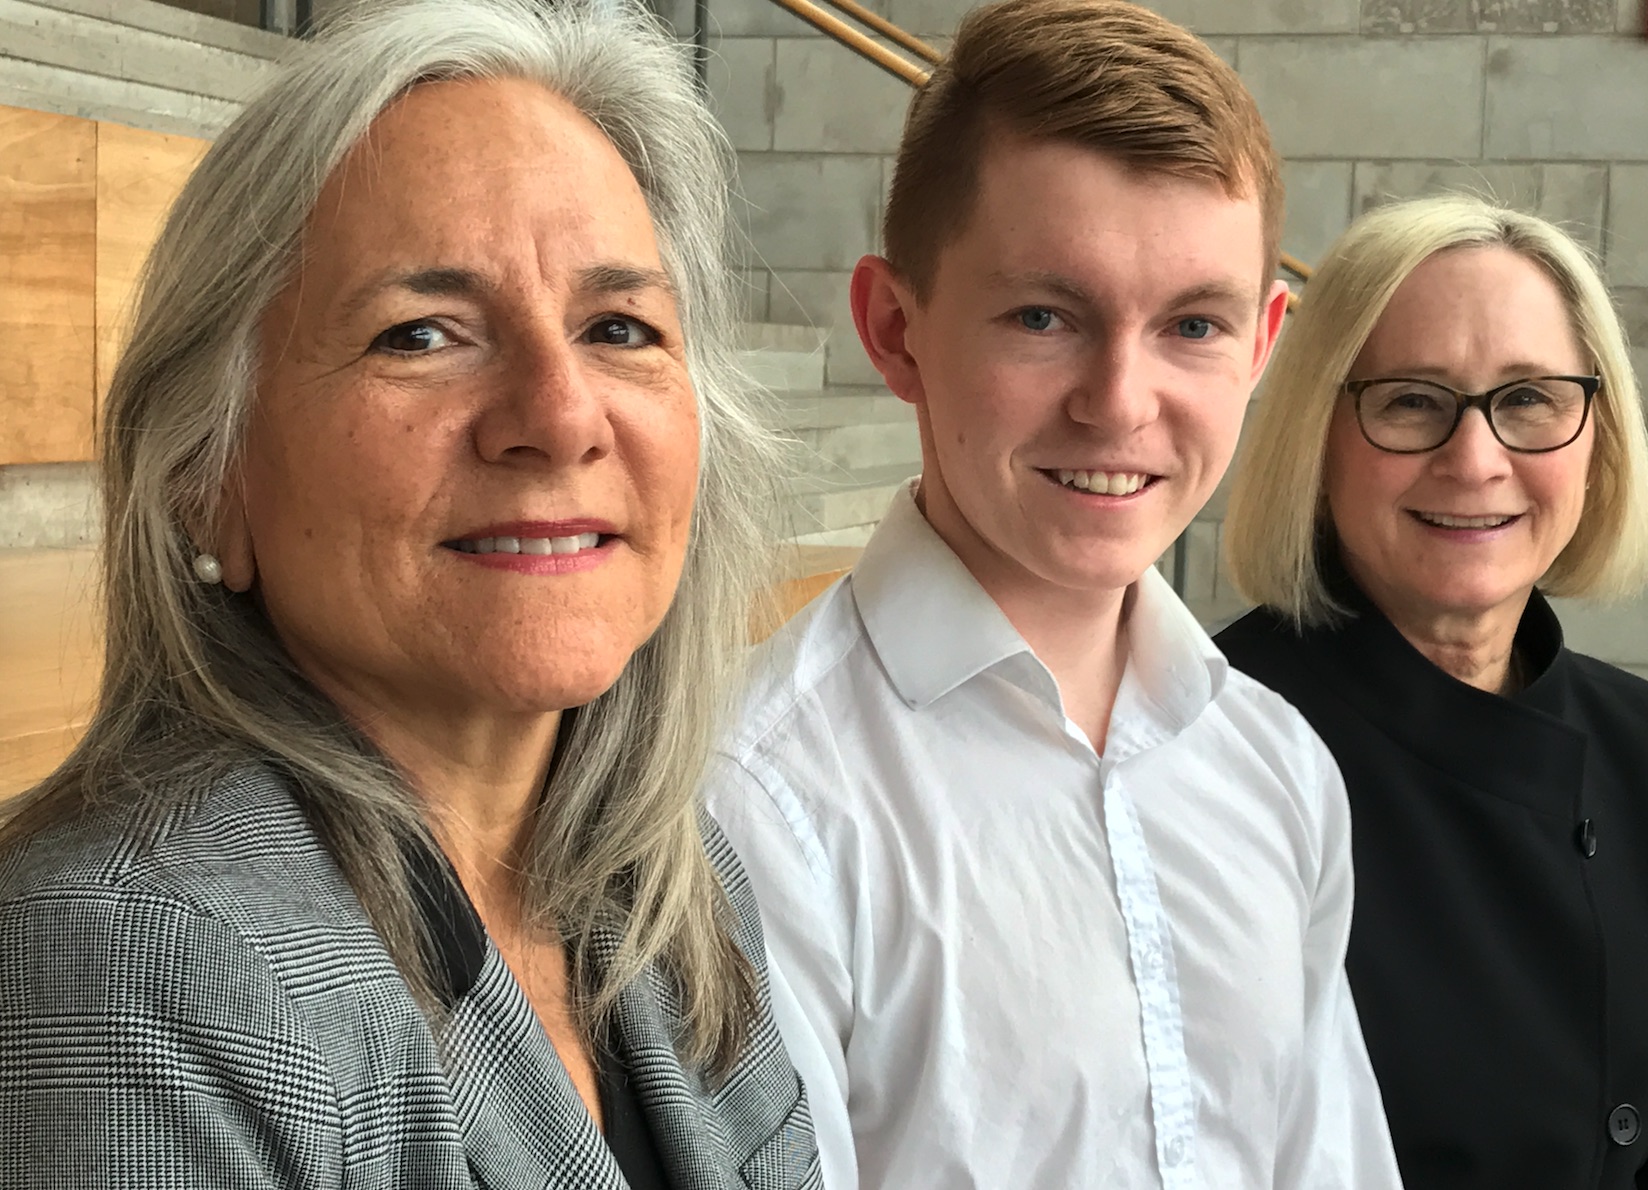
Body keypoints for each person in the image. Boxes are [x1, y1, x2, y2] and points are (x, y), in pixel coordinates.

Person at [0, 2, 822, 1186]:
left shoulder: (666, 877)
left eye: (618, 325)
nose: (558, 415)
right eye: (423, 334)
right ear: (205, 478)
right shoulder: (130, 964)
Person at [704, 0, 1402, 1185]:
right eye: (1044, 315)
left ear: (1262, 345)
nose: (1119, 402)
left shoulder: (1276, 764)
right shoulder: (758, 801)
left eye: (1192, 323)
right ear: (894, 328)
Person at [1216, 194, 1648, 1189]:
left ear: (1596, 435)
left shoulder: (1637, 744)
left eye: (1530, 397)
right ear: (1317, 437)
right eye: (1411, 399)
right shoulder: (1216, 749)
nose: (1476, 458)